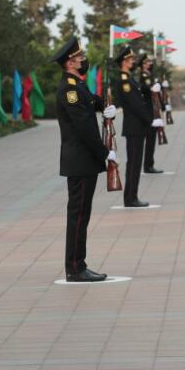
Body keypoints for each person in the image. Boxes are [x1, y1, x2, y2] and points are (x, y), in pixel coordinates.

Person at [52, 36, 118, 282]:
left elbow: (89, 100)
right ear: (70, 63)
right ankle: (75, 267)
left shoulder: (77, 85)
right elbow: (83, 126)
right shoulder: (69, 89)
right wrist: (105, 152)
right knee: (78, 215)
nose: (83, 60)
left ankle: (78, 264)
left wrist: (104, 106)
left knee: (82, 214)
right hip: (80, 160)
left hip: (82, 161)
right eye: (79, 58)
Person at [114, 45, 157, 207]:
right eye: (130, 59)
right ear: (124, 62)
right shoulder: (124, 80)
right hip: (134, 126)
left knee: (135, 163)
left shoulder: (128, 78)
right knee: (133, 163)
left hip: (136, 126)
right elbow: (135, 104)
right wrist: (149, 119)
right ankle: (130, 198)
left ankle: (132, 196)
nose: (133, 61)